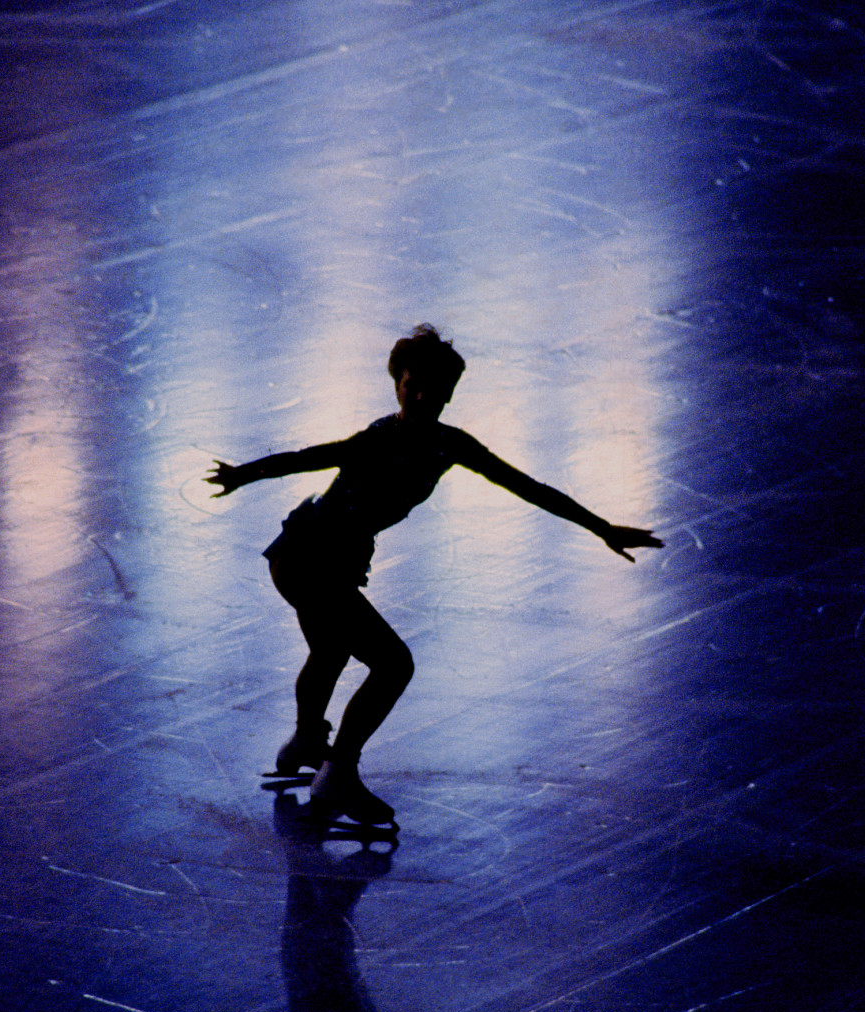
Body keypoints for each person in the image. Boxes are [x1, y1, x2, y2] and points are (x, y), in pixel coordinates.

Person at [208, 325, 660, 829]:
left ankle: (308, 742)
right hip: (305, 556)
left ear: (450, 394)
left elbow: (529, 487)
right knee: (393, 664)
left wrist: (601, 527)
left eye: (436, 390)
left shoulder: (451, 446)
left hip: (330, 561)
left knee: (332, 651)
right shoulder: (377, 440)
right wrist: (242, 474)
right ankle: (335, 771)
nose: (422, 397)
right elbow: (305, 459)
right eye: (411, 385)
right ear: (396, 384)